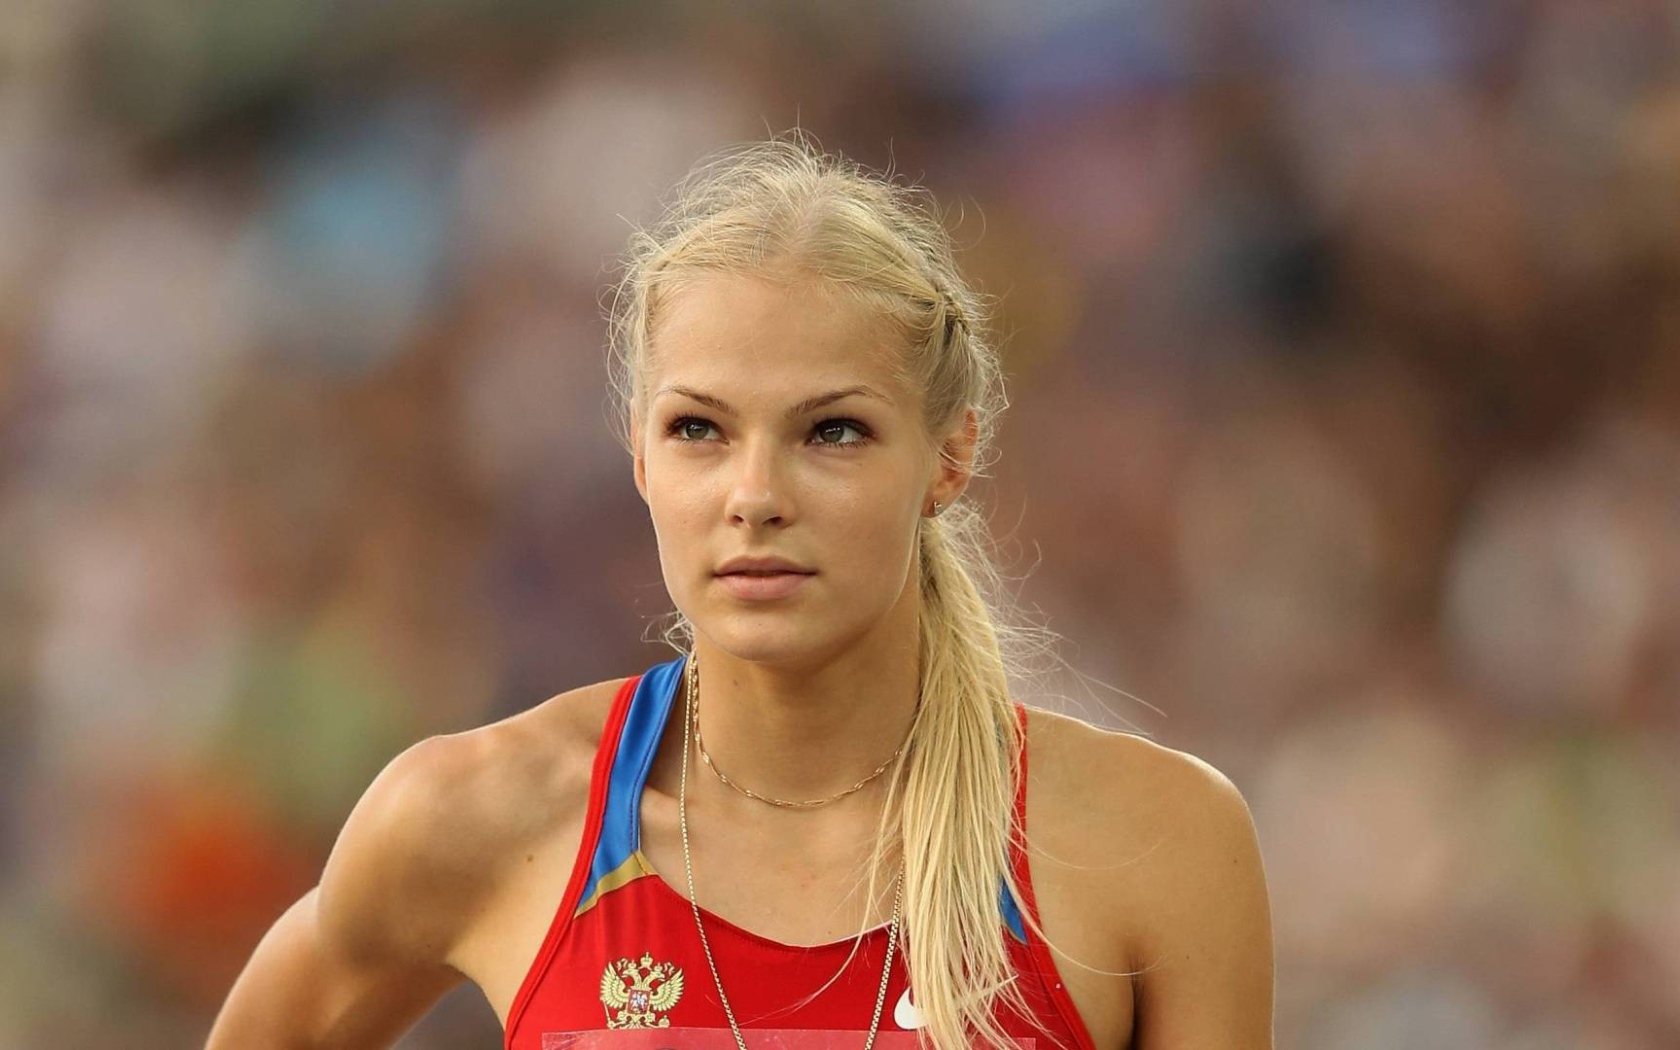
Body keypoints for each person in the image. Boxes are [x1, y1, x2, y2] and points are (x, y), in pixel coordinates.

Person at [207, 134, 1274, 1050]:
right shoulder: (478, 816)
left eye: (833, 431)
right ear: (639, 457)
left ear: (950, 457)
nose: (755, 496)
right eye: (699, 430)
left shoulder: (1155, 844)